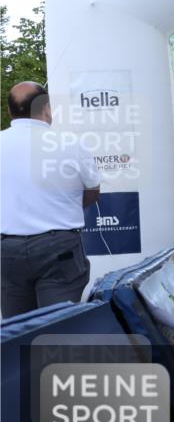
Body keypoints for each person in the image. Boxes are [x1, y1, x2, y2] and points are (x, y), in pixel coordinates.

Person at [1, 82, 101, 316]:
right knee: (57, 329)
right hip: (59, 248)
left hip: (7, 250)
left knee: (16, 331)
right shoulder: (72, 144)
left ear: (9, 111)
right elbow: (93, 191)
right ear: (46, 107)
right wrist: (63, 205)